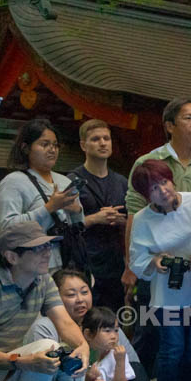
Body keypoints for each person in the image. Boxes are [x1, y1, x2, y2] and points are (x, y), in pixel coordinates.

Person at [123, 98, 191, 377]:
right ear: (169, 126)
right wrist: (131, 265)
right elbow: (134, 214)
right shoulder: (148, 162)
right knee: (151, 334)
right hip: (158, 267)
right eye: (189, 118)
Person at [0, 222, 95, 381]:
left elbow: (65, 323)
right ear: (11, 256)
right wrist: (21, 361)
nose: (47, 252)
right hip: (8, 368)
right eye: (36, 248)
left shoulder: (43, 281)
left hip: (13, 372)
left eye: (48, 245)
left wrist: (83, 347)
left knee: (71, 352)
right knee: (47, 347)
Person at [128, 159, 191, 381]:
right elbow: (136, 258)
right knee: (172, 351)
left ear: (172, 179)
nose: (163, 191)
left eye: (164, 182)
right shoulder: (143, 220)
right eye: (154, 188)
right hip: (166, 295)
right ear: (146, 195)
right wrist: (155, 262)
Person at [0, 118, 85, 273]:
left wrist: (77, 212)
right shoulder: (14, 182)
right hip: (30, 268)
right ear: (26, 148)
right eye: (44, 144)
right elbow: (6, 228)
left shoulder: (65, 181)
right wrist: (49, 208)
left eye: (55, 145)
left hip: (67, 263)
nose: (52, 150)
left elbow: (79, 226)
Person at [71, 119, 128, 310]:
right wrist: (95, 218)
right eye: (96, 139)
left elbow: (133, 222)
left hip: (115, 262)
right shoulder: (72, 180)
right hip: (84, 261)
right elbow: (64, 225)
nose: (103, 143)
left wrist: (122, 221)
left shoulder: (121, 182)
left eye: (106, 138)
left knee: (113, 319)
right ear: (83, 145)